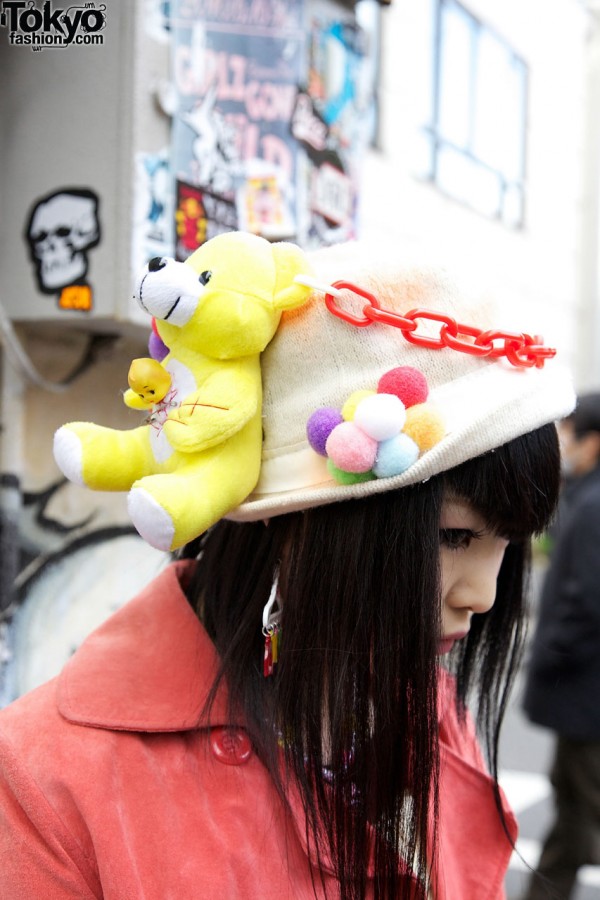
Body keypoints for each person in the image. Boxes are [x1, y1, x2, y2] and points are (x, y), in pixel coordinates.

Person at [0, 240, 575, 899]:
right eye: (452, 535)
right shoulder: (47, 777)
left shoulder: (429, 708)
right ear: (293, 517)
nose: (484, 595)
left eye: (509, 543)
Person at [522, 393, 600, 900]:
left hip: (585, 696)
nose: (563, 442)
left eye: (570, 432)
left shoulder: (594, 505)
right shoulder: (585, 496)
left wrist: (549, 655)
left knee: (581, 807)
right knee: (573, 812)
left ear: (594, 443)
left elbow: (588, 600)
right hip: (583, 697)